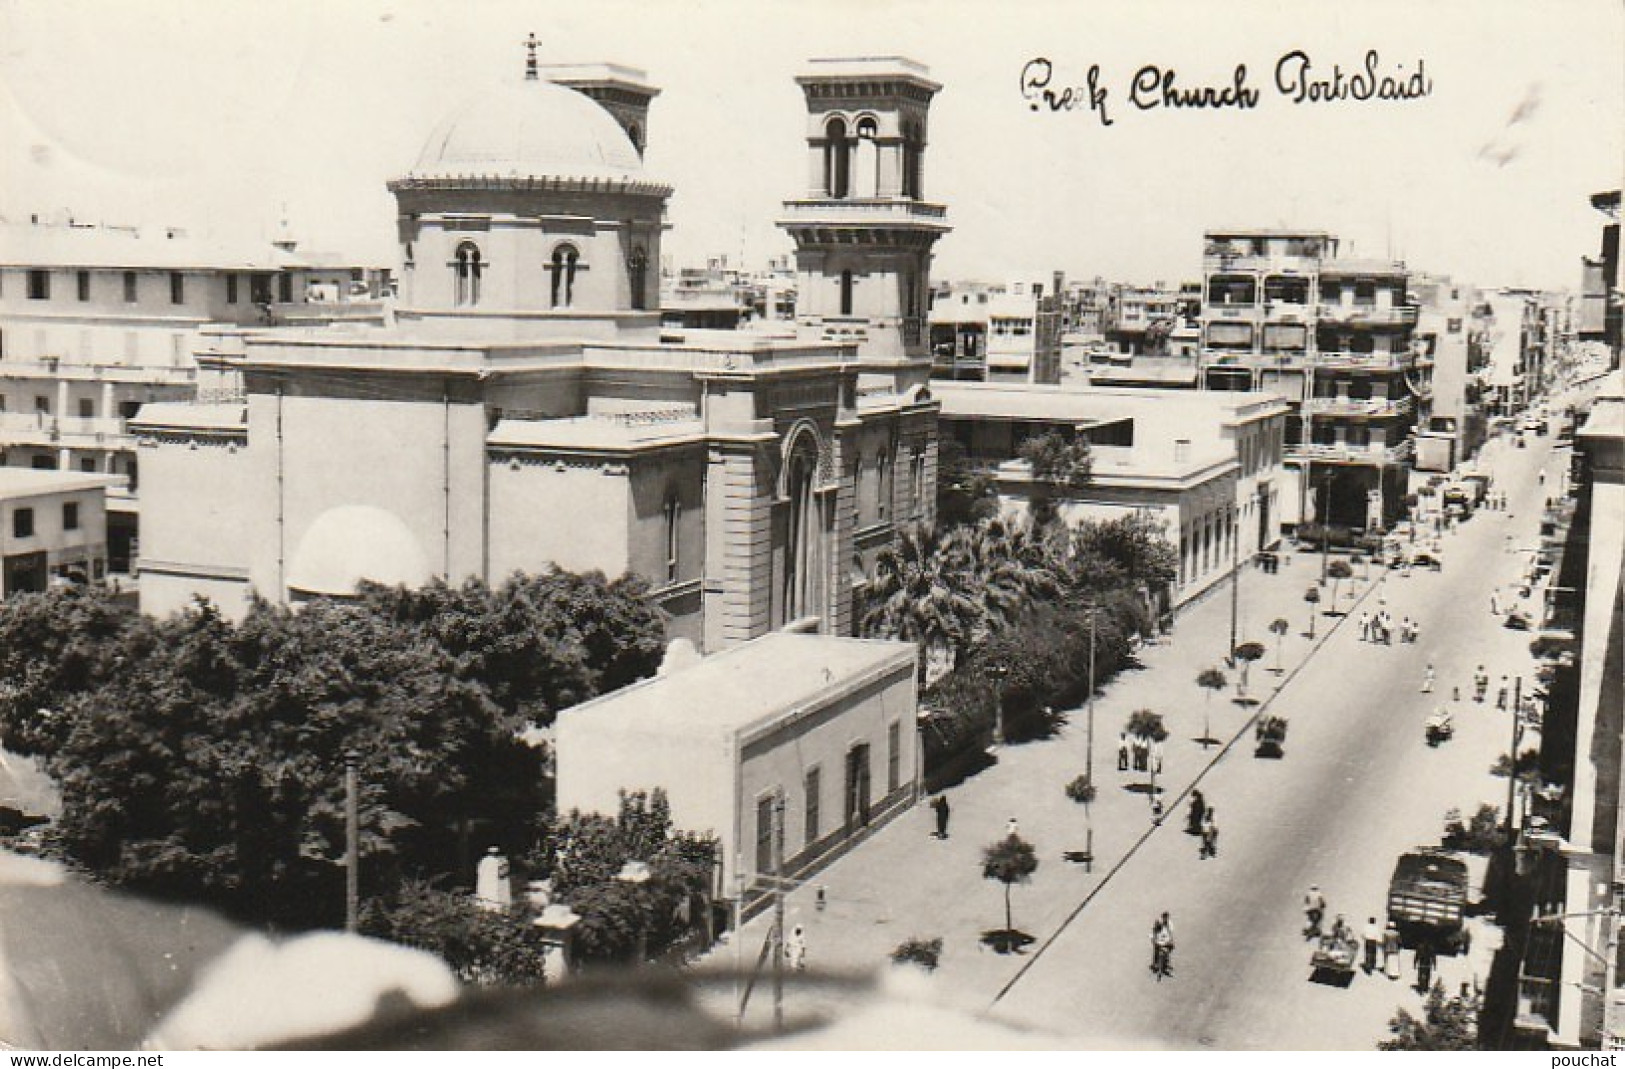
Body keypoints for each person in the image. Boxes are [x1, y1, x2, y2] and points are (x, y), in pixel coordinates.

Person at [1150, 912, 1174, 978]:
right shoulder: (1159, 923)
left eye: (1166, 918)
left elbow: (1170, 934)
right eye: (1164, 918)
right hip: (1159, 941)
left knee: (1165, 953)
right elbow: (1154, 932)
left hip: (1165, 941)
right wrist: (1154, 939)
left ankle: (1165, 965)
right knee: (1157, 951)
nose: (1165, 919)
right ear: (1162, 917)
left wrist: (1170, 941)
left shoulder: (1170, 924)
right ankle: (1156, 965)